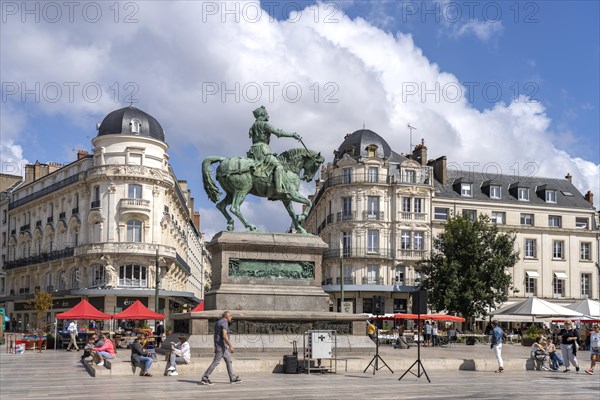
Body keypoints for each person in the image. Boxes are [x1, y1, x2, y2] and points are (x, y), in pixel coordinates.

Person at [247, 106, 302, 197]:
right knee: (279, 166)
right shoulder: (265, 124)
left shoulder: (253, 126)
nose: (268, 115)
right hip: (263, 150)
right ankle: (279, 189)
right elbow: (278, 133)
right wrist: (292, 135)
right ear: (262, 114)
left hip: (253, 151)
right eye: (266, 113)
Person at [200, 311, 242, 385]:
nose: (231, 317)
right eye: (230, 316)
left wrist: (215, 345)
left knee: (229, 360)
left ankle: (232, 378)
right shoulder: (224, 323)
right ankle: (205, 377)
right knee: (216, 362)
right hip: (221, 346)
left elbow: (215, 335)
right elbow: (224, 336)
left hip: (221, 346)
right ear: (226, 316)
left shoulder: (218, 322)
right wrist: (231, 346)